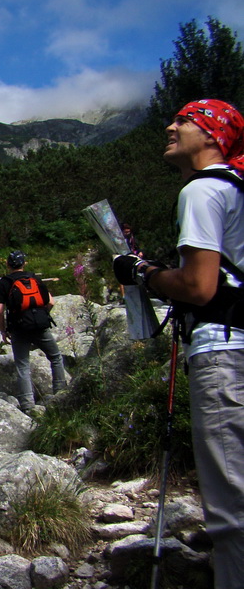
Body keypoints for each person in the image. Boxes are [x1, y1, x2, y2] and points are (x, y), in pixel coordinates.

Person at [112, 98, 244, 588]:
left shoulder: (203, 190)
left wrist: (143, 272)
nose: (170, 126)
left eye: (184, 120)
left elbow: (198, 288)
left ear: (212, 134)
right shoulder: (238, 188)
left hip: (224, 353)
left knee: (233, 510)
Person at [0, 250, 67, 412]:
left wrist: (3, 331)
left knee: (22, 366)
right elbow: (51, 302)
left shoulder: (5, 282)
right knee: (55, 357)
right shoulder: (34, 278)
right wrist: (42, 315)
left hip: (19, 328)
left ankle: (28, 406)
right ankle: (61, 393)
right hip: (40, 325)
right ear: (24, 264)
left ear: (7, 264)